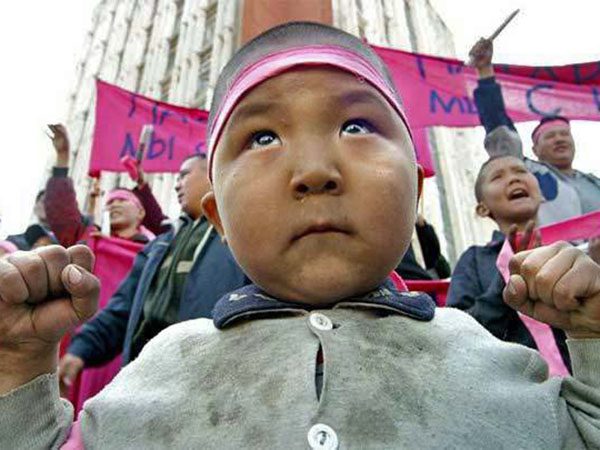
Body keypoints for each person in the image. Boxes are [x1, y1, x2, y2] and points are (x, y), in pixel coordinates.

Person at [1, 22, 600, 449]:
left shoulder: (503, 366)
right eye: (262, 137)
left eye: (357, 124)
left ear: (416, 192)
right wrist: (18, 373)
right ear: (218, 217)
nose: (315, 170)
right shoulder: (154, 372)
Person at [58, 154, 248, 400]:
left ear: (212, 174)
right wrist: (80, 350)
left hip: (206, 388)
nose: (177, 184)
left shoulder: (241, 238)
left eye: (184, 175)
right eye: (176, 178)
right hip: (142, 386)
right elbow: (122, 310)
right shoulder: (158, 248)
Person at [447, 155, 571, 372]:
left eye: (521, 171)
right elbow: (458, 334)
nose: (514, 179)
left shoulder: (570, 253)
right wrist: (507, 277)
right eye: (497, 176)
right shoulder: (475, 260)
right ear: (483, 208)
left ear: (541, 194)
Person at [469, 38, 600, 226]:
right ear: (535, 149)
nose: (559, 139)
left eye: (564, 134)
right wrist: (485, 72)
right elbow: (498, 127)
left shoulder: (594, 183)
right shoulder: (526, 174)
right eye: (550, 136)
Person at [43, 124, 157, 247]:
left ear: (140, 212)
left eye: (122, 200)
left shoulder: (154, 252)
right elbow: (61, 213)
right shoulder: (88, 236)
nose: (114, 205)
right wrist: (62, 157)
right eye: (109, 202)